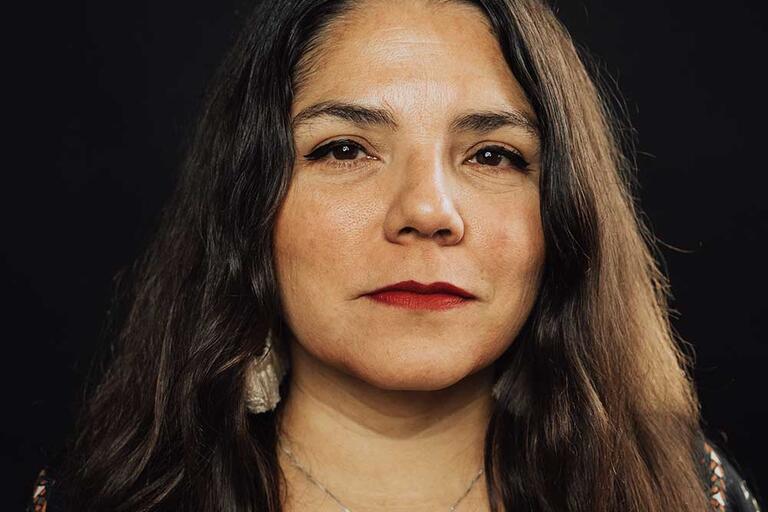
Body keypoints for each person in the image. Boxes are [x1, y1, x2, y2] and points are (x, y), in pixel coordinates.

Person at [27, 0, 763, 511]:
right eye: (345, 148)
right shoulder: (79, 504)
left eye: (492, 155)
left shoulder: (697, 495)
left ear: (564, 216)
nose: (427, 212)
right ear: (248, 206)